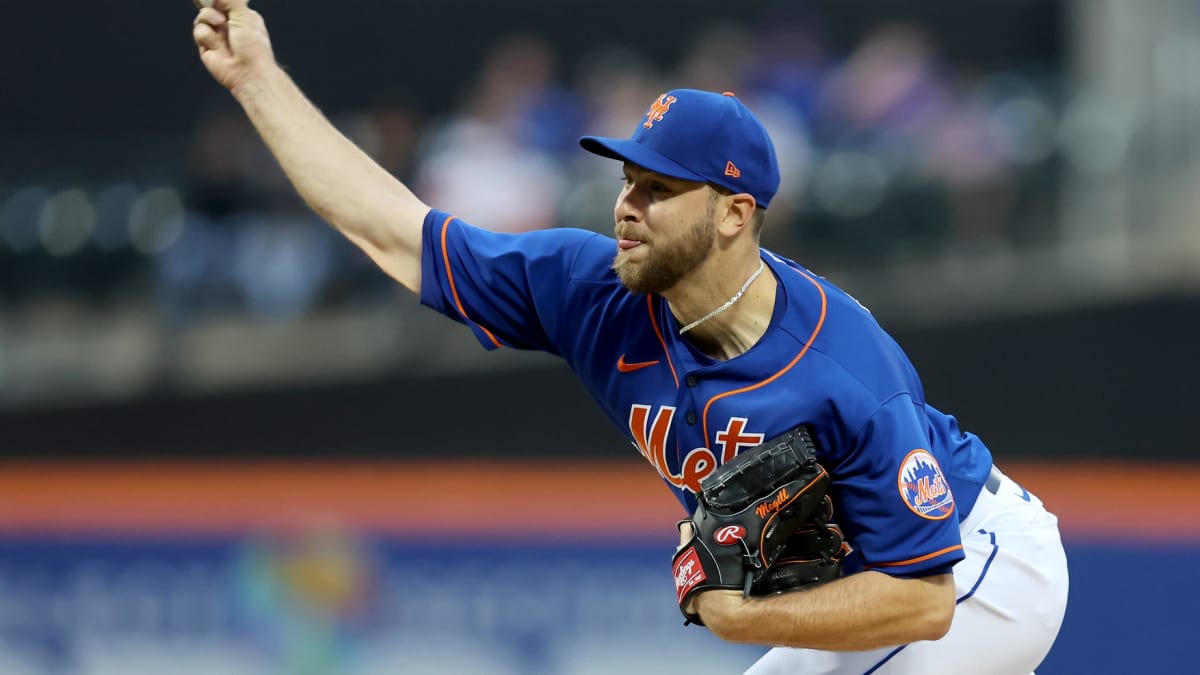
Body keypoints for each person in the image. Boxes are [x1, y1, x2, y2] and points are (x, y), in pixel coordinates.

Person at [191, 2, 1069, 673]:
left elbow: (924, 599)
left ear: (732, 214)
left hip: (985, 565)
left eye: (658, 188)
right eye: (627, 177)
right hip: (873, 589)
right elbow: (395, 231)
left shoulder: (842, 365)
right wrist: (258, 80)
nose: (626, 204)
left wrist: (744, 617)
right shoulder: (590, 289)